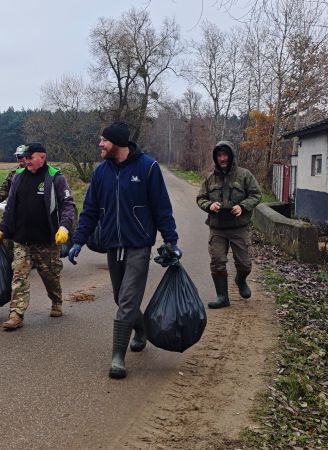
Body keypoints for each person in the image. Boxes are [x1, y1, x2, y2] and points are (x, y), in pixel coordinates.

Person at [67, 122, 181, 380]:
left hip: (139, 244)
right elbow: (90, 210)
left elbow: (162, 208)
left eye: (103, 140)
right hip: (113, 244)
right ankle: (140, 330)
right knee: (121, 298)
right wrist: (78, 240)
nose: (100, 145)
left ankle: (117, 356)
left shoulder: (147, 168)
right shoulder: (100, 173)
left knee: (128, 299)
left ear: (117, 142)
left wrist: (171, 240)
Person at [0, 142, 76, 330]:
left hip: (46, 239)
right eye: (24, 158)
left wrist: (64, 227)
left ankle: (56, 300)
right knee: (19, 275)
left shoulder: (55, 177)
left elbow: (68, 205)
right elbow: (11, 207)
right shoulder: (18, 177)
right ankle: (16, 314)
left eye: (30, 157)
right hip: (21, 238)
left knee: (50, 275)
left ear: (42, 157)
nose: (26, 161)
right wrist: (1, 230)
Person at [196, 141, 261, 309]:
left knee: (244, 264)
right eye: (219, 155)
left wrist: (243, 206)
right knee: (217, 261)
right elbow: (201, 198)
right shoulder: (210, 178)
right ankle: (222, 297)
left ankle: (241, 280)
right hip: (217, 228)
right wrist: (209, 205)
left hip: (239, 227)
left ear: (231, 156)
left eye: (225, 155)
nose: (222, 158)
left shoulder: (244, 175)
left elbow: (256, 194)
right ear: (216, 157)